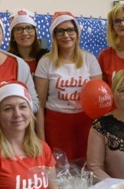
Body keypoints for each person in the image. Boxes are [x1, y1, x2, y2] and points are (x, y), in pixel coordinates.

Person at [34, 11, 102, 162]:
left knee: (87, 170)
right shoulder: (45, 62)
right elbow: (39, 105)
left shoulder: (89, 59)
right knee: (60, 173)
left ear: (77, 33)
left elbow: (99, 101)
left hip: (85, 123)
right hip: (57, 125)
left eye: (70, 30)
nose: (66, 35)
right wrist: (41, 139)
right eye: (60, 31)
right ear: (54, 35)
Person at [6, 8, 49, 75]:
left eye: (29, 28)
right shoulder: (6, 60)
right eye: (19, 29)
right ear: (13, 36)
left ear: (35, 32)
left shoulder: (47, 58)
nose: (25, 33)